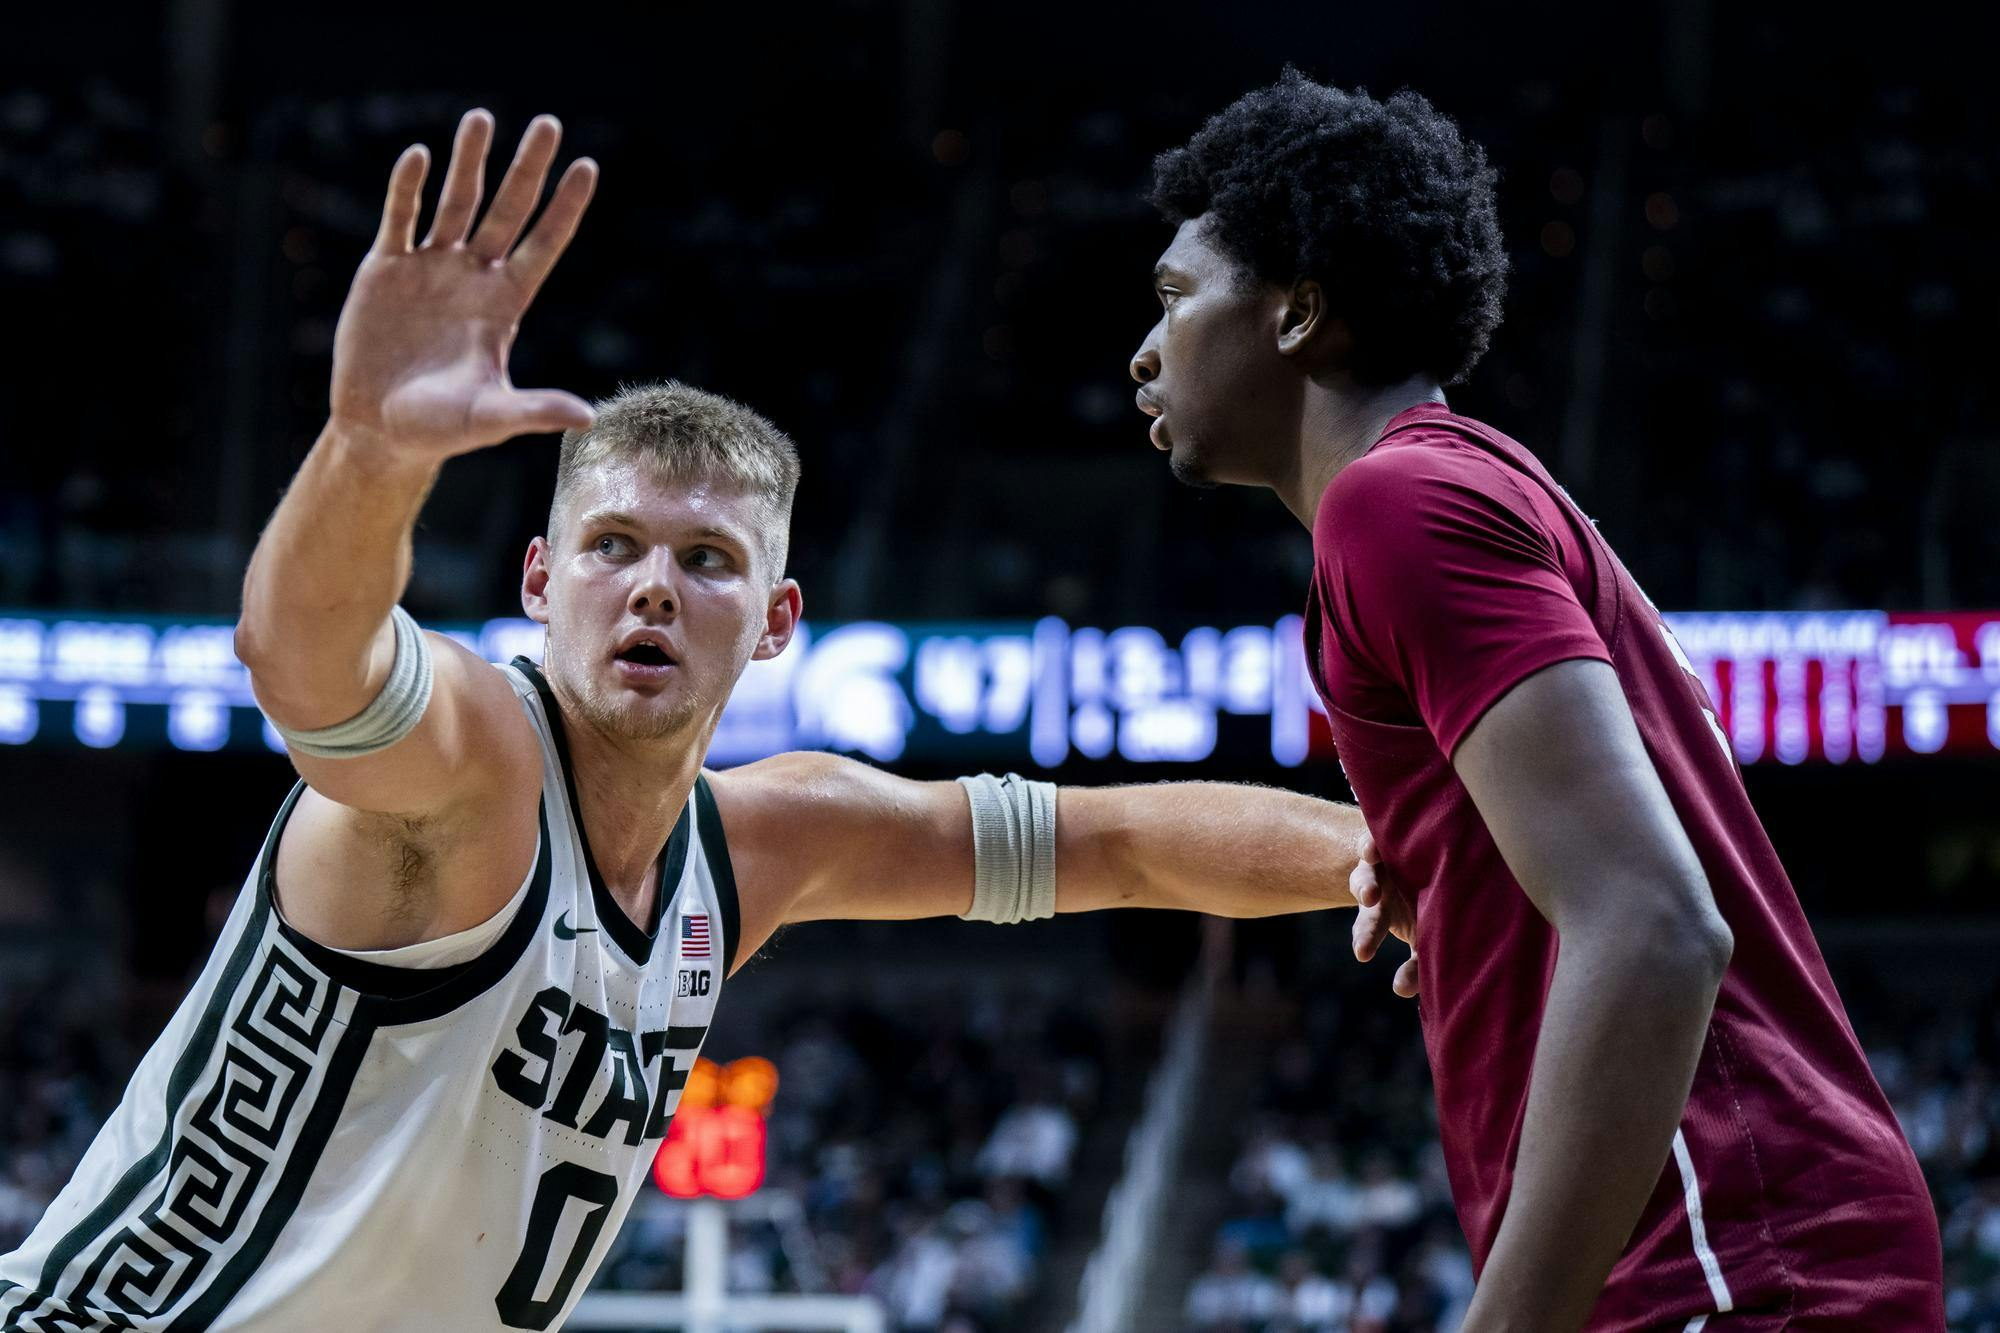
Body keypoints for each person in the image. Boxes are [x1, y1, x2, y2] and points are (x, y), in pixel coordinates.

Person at [0, 111, 1401, 1332]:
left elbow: (1123, 847)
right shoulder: (476, 766)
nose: (653, 589)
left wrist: (1416, 853)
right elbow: (300, 659)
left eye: (707, 561)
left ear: (777, 622)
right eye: (612, 548)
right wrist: (367, 454)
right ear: (540, 584)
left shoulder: (763, 847)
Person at [1127, 69, 1944, 1332]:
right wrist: (1456, 889)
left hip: (1728, 1251)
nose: (1143, 349)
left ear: (1296, 314)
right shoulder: (1467, 489)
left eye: (1176, 300)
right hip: (1749, 1242)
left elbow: (1653, 924)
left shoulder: (1393, 506)